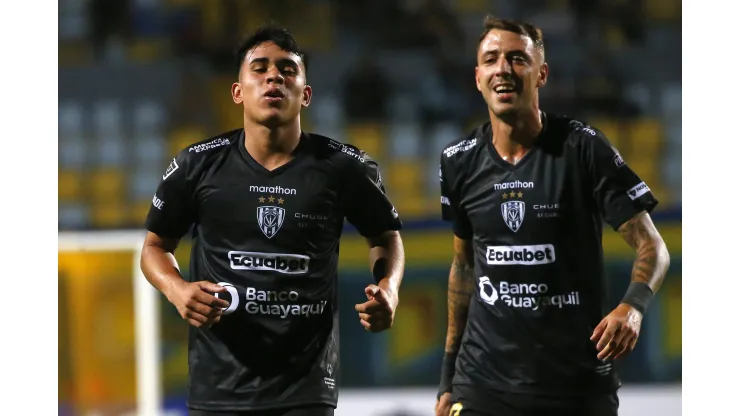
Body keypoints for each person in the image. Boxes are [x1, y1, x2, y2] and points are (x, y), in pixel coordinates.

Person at [140, 26, 405, 416]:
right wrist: (176, 289)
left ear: (306, 94)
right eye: (260, 69)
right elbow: (154, 247)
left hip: (306, 389)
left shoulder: (345, 167)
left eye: (287, 70)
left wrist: (389, 288)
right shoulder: (196, 165)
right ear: (238, 91)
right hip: (218, 388)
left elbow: (384, 235)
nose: (273, 77)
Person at [434, 16, 670, 416]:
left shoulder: (582, 149)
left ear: (541, 73)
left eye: (516, 59)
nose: (503, 69)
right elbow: (464, 267)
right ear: (478, 77)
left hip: (574, 387)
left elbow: (653, 247)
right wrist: (447, 378)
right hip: (482, 385)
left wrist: (633, 306)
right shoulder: (458, 161)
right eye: (491, 59)